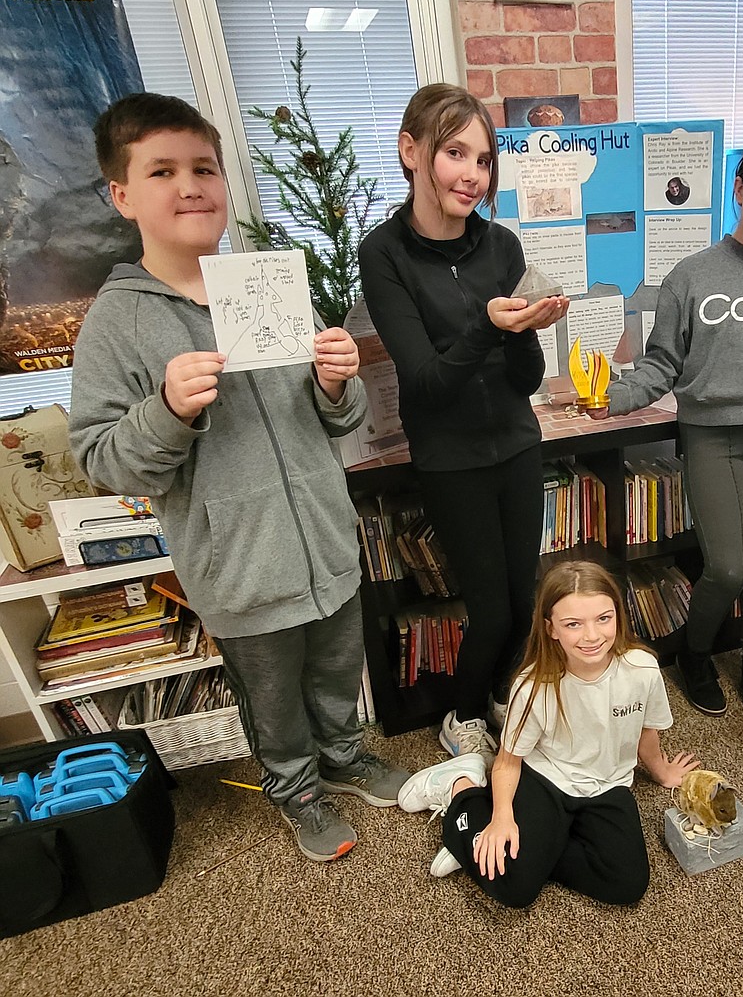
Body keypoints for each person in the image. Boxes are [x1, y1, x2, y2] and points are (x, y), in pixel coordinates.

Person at [69, 93, 409, 863]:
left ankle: (347, 758)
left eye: (204, 168)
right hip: (239, 568)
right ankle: (296, 792)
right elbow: (101, 460)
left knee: (334, 672)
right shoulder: (117, 321)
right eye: (163, 170)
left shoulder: (265, 290)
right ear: (122, 195)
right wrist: (166, 409)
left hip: (324, 542)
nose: (191, 185)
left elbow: (333, 421)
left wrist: (336, 385)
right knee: (273, 700)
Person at [590, 134, 743, 729]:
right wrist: (613, 397)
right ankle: (694, 654)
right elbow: (661, 365)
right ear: (740, 189)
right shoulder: (692, 276)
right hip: (712, 436)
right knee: (724, 568)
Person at [359, 84, 570, 763]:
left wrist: (526, 331)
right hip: (451, 459)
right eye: (455, 152)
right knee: (493, 608)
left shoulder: (501, 245)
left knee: (524, 596)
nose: (472, 174)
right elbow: (426, 385)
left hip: (516, 446)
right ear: (410, 152)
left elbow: (526, 382)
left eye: (482, 159)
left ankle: (500, 690)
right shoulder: (384, 254)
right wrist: (489, 324)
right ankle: (462, 713)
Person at [396, 560, 698, 906]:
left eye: (604, 618)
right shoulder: (533, 686)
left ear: (618, 613)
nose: (592, 636)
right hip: (545, 778)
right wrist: (500, 819)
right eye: (573, 624)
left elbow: (646, 730)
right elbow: (509, 762)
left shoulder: (642, 668)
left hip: (608, 784)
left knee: (627, 884)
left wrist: (660, 771)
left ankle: (520, 854)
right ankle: (461, 789)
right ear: (551, 628)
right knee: (515, 889)